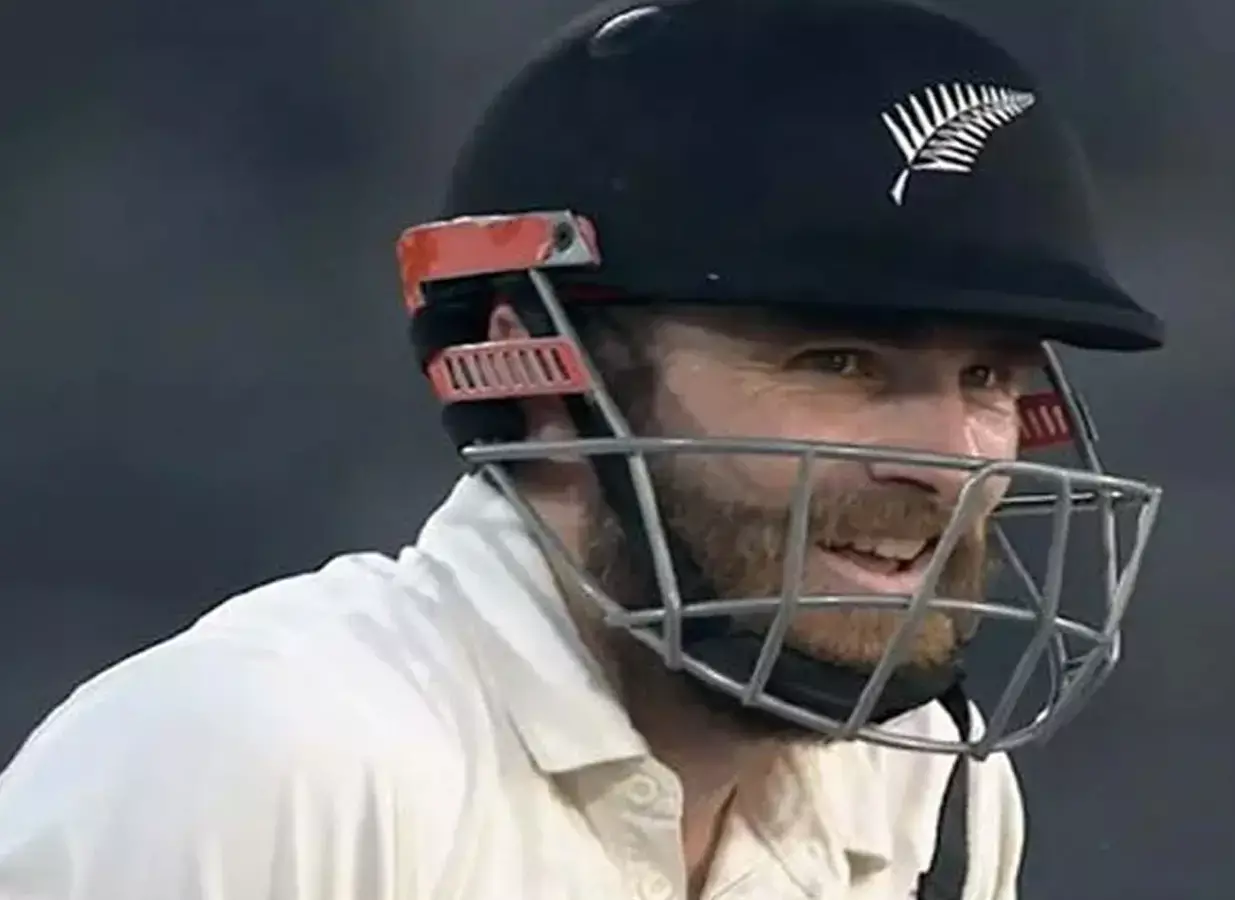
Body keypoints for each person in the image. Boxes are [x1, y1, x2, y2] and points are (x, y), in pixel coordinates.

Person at [0, 0, 1167, 898]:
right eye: (839, 363)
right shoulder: (273, 760)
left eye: (987, 379)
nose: (949, 460)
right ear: (544, 376)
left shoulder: (925, 799)